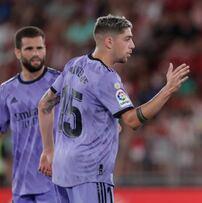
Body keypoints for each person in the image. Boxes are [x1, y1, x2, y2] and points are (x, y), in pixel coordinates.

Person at [37, 14, 190, 202]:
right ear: (109, 41)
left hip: (62, 170)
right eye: (127, 39)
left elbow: (45, 104)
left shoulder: (74, 65)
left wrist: (47, 150)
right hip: (90, 173)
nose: (132, 45)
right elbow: (132, 120)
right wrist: (168, 90)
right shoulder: (106, 77)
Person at [0, 26, 59, 202]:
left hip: (54, 183)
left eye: (40, 48)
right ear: (17, 53)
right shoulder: (6, 91)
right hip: (21, 187)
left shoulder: (59, 82)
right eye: (29, 49)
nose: (36, 53)